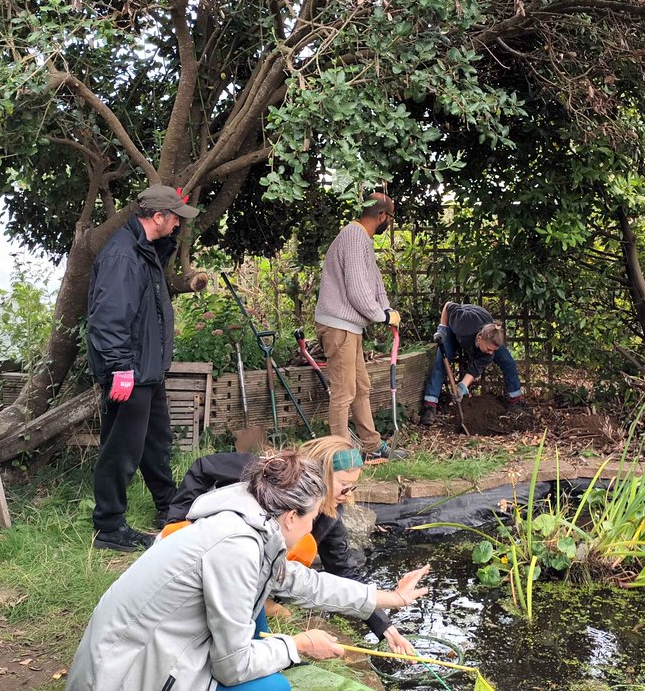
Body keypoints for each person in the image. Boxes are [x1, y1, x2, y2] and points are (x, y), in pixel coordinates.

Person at [67, 451, 431, 691]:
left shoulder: (250, 518)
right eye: (311, 519)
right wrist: (299, 644)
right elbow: (232, 667)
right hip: (121, 676)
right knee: (272, 688)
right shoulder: (237, 548)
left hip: (147, 653)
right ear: (291, 516)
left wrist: (392, 598)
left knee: (260, 642)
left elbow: (303, 583)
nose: (312, 529)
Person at [159, 436, 416, 655]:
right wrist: (179, 516)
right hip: (201, 538)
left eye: (354, 486)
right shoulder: (270, 474)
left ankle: (263, 598)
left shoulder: (330, 512)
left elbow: (343, 572)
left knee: (302, 549)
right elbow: (204, 466)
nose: (349, 495)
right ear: (323, 474)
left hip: (251, 566)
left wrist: (385, 626)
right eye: (344, 486)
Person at [86, 184, 199, 552]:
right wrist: (120, 368)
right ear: (158, 217)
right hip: (129, 373)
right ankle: (109, 526)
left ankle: (170, 509)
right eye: (175, 219)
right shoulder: (122, 256)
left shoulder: (143, 251)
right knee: (122, 450)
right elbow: (108, 318)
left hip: (147, 371)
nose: (179, 225)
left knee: (155, 445)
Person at [315, 192, 406, 460]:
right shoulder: (354, 237)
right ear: (382, 216)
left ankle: (371, 445)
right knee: (343, 393)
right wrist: (381, 316)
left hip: (349, 327)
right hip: (339, 327)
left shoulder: (361, 239)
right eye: (390, 218)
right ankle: (339, 456)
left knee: (360, 388)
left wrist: (386, 308)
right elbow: (357, 291)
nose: (388, 222)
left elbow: (373, 282)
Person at [419, 301, 529, 427]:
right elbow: (448, 305)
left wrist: (461, 388)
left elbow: (474, 369)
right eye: (489, 349)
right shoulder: (463, 322)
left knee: (508, 363)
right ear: (480, 339)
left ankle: (515, 402)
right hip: (454, 331)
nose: (491, 353)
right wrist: (442, 328)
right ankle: (430, 407)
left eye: (494, 350)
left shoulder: (491, 346)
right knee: (440, 364)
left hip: (482, 329)